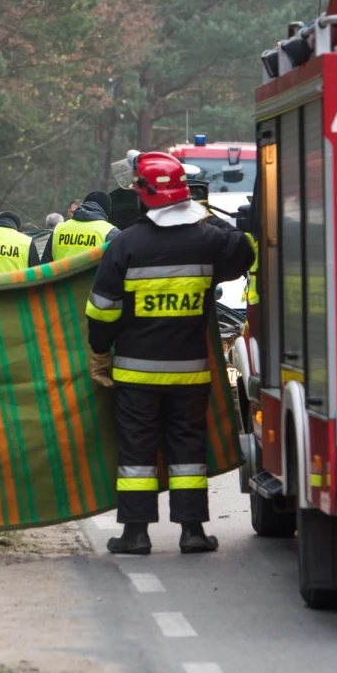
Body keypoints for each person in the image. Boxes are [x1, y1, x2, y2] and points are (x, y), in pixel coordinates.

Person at [85, 151, 253, 556]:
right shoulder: (207, 238)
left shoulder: (125, 244)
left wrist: (99, 353)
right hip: (190, 374)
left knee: (138, 455)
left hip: (137, 376)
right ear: (185, 195)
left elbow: (102, 309)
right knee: (188, 454)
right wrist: (203, 214)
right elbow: (244, 251)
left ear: (143, 194)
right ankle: (193, 532)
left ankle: (136, 535)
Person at [42, 190, 120, 263]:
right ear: (107, 212)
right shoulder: (111, 232)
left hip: (62, 278)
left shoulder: (58, 229)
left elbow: (44, 268)